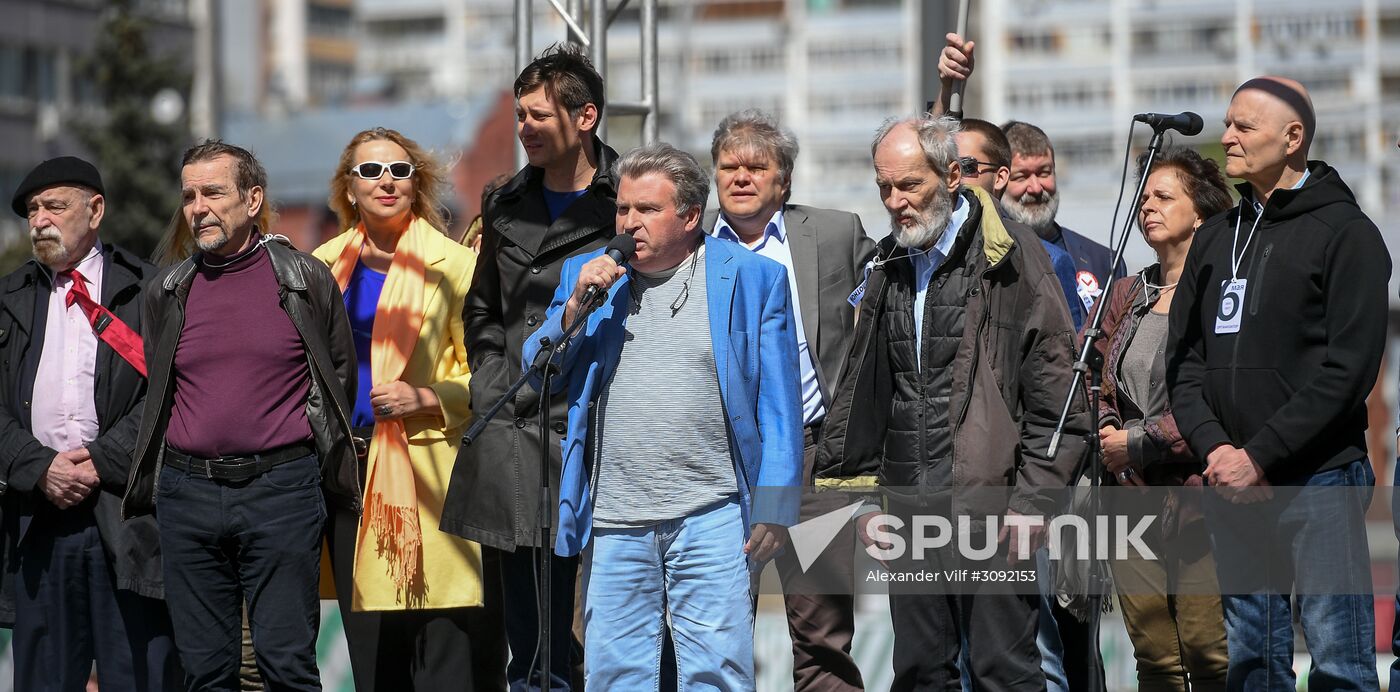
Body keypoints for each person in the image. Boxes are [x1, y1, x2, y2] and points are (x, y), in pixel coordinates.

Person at [814, 114, 1089, 691]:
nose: (895, 200)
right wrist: (865, 501)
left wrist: (1035, 501)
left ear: (953, 176)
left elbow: (1058, 397)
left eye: (909, 184)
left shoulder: (1013, 256)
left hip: (994, 507)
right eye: (884, 186)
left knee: (1003, 670)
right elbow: (866, 391)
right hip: (910, 509)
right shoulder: (888, 262)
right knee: (919, 672)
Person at [525, 141, 802, 689]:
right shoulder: (589, 276)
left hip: (713, 512)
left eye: (647, 210)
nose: (629, 223)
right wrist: (577, 303)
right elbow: (539, 368)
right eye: (623, 209)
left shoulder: (751, 278)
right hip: (614, 516)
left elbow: (779, 405)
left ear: (691, 215)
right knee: (615, 675)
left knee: (716, 673)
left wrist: (776, 504)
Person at [1166, 76, 1389, 691]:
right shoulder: (1214, 237)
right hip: (1231, 484)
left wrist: (1258, 455)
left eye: (1244, 126)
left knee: (1339, 660)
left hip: (1319, 478)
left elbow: (1348, 373)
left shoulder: (1349, 236)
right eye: (1228, 122)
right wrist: (1217, 450)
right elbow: (1183, 363)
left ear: (1293, 138)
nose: (1227, 137)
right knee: (1253, 663)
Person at [123, 141, 358, 691]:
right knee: (205, 672)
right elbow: (161, 389)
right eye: (188, 196)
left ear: (253, 200)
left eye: (213, 192)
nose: (198, 207)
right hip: (188, 495)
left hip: (282, 491)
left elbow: (337, 377)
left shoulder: (304, 278)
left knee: (286, 666)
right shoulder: (167, 290)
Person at [440, 43, 614, 692]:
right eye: (519, 115)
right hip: (517, 424)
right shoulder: (504, 199)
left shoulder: (626, 197)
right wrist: (492, 379)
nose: (524, 128)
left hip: (601, 425)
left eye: (539, 115)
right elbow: (482, 307)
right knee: (532, 636)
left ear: (586, 116)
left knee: (616, 621)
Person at [312, 127, 503, 690]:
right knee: (373, 655)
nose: (386, 181)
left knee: (442, 646)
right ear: (349, 188)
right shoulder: (321, 268)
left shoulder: (454, 265)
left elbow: (490, 379)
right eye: (370, 171)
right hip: (350, 476)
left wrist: (426, 397)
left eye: (398, 169)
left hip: (432, 475)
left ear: (416, 181)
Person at [702, 109, 874, 692]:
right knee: (716, 631)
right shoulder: (689, 247)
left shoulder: (834, 233)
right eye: (730, 166)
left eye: (758, 166)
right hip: (720, 466)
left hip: (814, 456)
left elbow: (909, 269)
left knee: (822, 635)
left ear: (785, 180)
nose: (742, 176)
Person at [0, 156, 181, 691]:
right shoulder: (8, 298)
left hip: (125, 516)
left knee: (138, 674)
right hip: (37, 519)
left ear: (95, 209)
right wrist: (40, 466)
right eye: (32, 210)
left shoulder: (149, 290)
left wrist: (98, 460)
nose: (39, 220)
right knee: (44, 678)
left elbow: (168, 394)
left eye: (54, 205)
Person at [1083, 146, 1232, 691]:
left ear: (1199, 212)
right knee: (1156, 659)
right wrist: (1110, 443)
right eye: (1144, 197)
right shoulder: (1127, 292)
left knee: (1208, 652)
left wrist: (1139, 443)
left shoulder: (1221, 293)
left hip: (1198, 497)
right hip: (1130, 500)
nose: (1148, 207)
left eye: (1164, 197)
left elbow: (1218, 393)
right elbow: (1091, 373)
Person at [951, 117, 1084, 331]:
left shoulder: (1056, 260)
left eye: (1044, 173)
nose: (1035, 188)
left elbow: (1063, 352)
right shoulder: (930, 253)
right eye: (1022, 176)